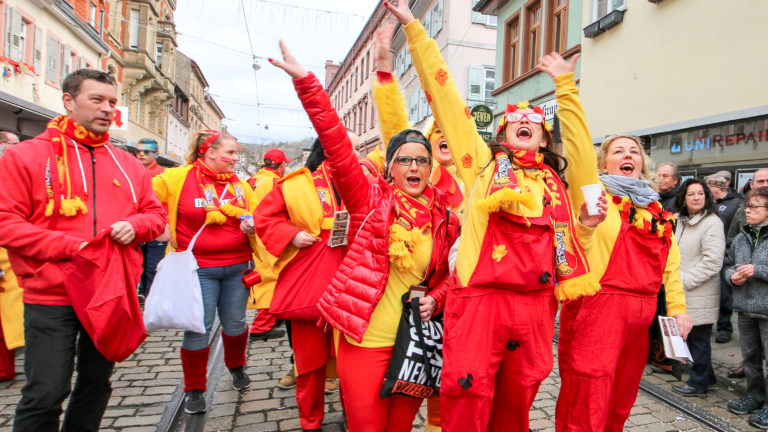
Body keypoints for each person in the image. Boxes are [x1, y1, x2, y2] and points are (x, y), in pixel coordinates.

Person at [384, 3, 597, 430]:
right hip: (479, 302)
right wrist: (414, 29)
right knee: (466, 394)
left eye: (533, 121)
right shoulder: (481, 166)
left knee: (517, 401)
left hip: (536, 307)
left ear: (544, 136)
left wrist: (565, 88)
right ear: (501, 133)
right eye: (514, 119)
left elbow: (584, 159)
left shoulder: (558, 183)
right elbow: (445, 98)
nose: (523, 120)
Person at [270, 40, 460, 432]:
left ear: (430, 169)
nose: (414, 166)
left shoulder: (444, 216)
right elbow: (337, 147)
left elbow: (448, 277)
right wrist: (307, 83)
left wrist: (436, 299)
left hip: (415, 342)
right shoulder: (369, 199)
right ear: (390, 167)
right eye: (404, 159)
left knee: (401, 428)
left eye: (421, 160)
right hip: (365, 340)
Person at [532, 53, 692, 432]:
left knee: (620, 403)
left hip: (641, 317)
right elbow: (577, 144)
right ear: (603, 164)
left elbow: (671, 270)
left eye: (633, 151)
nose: (627, 155)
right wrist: (566, 87)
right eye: (618, 150)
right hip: (596, 311)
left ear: (642, 164)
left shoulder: (657, 213)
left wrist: (680, 312)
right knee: (586, 401)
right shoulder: (593, 192)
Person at [0, 69, 166, 431]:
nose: (108, 109)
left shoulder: (127, 163)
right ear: (68, 102)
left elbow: (155, 216)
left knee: (95, 385)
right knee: (45, 392)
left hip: (109, 293)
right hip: (51, 293)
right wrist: (71, 247)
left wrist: (135, 226)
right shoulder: (24, 156)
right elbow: (5, 223)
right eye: (97, 100)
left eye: (112, 102)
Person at [152, 129, 258, 414]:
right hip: (197, 268)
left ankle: (236, 368)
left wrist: (253, 224)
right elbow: (143, 197)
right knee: (198, 327)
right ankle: (194, 388)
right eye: (231, 153)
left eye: (236, 154)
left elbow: (257, 214)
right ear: (209, 152)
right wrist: (160, 225)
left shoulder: (241, 186)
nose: (236, 159)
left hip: (238, 267)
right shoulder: (178, 178)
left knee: (235, 324)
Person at [253, 138, 352, 431]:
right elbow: (265, 219)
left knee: (351, 359)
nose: (354, 154)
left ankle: (354, 414)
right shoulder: (294, 183)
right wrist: (291, 234)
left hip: (350, 279)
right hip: (309, 279)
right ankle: (310, 421)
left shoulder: (360, 181)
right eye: (349, 148)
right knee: (309, 361)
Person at [670, 179, 725, 396]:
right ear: (683, 198)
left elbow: (712, 261)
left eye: (700, 194)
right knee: (690, 338)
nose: (696, 197)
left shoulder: (712, 223)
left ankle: (699, 382)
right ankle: (707, 375)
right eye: (691, 194)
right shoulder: (677, 220)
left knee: (698, 339)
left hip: (699, 291)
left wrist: (684, 281)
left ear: (706, 197)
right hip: (680, 291)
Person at [725, 187, 768, 429]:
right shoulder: (741, 237)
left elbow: (758, 269)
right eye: (747, 206)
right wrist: (732, 277)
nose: (748, 211)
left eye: (755, 207)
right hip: (745, 308)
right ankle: (755, 396)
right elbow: (729, 265)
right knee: (750, 358)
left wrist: (758, 270)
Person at [247, 148, 290, 342]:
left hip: (254, 235)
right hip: (269, 235)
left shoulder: (253, 180)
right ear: (281, 165)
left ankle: (274, 317)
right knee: (272, 278)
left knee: (265, 277)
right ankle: (261, 327)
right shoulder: (276, 182)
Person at [706, 172, 741, 343]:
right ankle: (708, 323)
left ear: (717, 186)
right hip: (708, 254)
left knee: (724, 295)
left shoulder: (735, 204)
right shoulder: (708, 203)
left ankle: (724, 328)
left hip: (725, 256)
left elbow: (737, 230)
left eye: (709, 186)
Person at [135, 138, 169, 300]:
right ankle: (142, 294)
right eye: (139, 151)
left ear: (156, 154)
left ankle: (151, 299)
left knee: (153, 266)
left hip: (157, 228)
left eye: (146, 152)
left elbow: (169, 201)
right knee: (137, 265)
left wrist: (167, 224)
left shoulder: (164, 174)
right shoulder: (131, 171)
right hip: (137, 226)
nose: (141, 155)